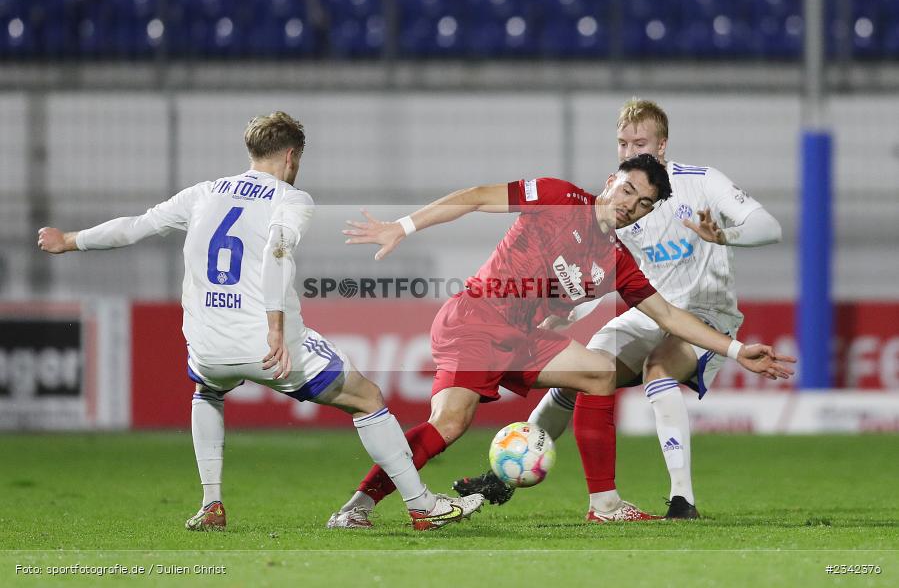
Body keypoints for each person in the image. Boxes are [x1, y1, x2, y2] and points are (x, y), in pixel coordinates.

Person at [36, 111, 484, 532]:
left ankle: (211, 503)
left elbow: (136, 227)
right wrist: (274, 327)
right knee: (367, 398)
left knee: (207, 390)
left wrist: (71, 239)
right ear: (292, 156)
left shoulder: (203, 193)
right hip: (269, 344)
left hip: (207, 348)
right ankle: (422, 506)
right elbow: (278, 250)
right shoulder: (290, 198)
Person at [327, 153, 794, 528]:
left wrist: (735, 350)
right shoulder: (556, 196)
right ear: (611, 181)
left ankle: (605, 504)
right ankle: (358, 506)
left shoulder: (617, 260)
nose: (630, 204)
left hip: (522, 337)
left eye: (644, 203)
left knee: (596, 372)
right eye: (628, 189)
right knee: (450, 423)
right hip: (475, 320)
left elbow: (670, 316)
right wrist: (401, 227)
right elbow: (474, 198)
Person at [453, 98, 784, 521]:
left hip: (705, 314)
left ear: (662, 145)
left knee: (659, 369)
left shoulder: (702, 182)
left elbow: (769, 227)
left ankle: (682, 500)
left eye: (639, 142)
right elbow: (601, 278)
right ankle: (501, 479)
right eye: (622, 143)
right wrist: (561, 315)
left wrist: (724, 235)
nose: (629, 151)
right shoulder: (623, 200)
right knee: (584, 375)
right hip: (650, 311)